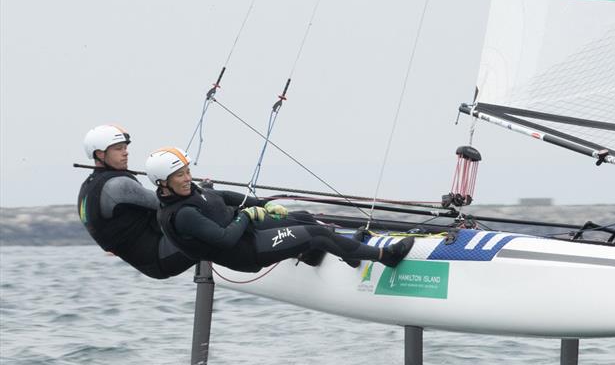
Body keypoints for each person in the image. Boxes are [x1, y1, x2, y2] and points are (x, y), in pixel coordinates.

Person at [146, 147, 414, 273]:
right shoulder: (182, 215)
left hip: (249, 232)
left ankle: (338, 256)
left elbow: (225, 196)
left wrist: (262, 205)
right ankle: (384, 256)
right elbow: (225, 238)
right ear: (163, 183)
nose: (187, 177)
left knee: (302, 217)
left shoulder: (190, 190)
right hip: (246, 251)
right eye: (179, 175)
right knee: (316, 234)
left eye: (187, 171)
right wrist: (247, 215)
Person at [77, 125, 196, 279]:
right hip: (162, 257)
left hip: (153, 262)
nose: (126, 153)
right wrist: (203, 191)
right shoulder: (116, 186)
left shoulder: (87, 187)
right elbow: (171, 203)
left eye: (125, 148)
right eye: (118, 149)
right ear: (100, 154)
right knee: (217, 223)